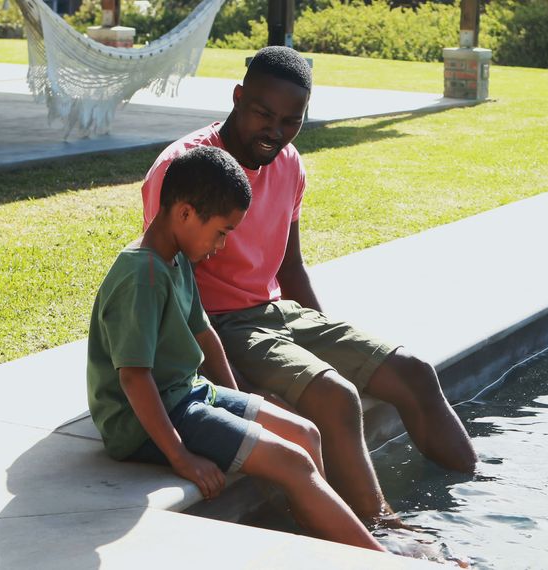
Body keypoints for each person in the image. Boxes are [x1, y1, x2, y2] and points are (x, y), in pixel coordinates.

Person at [140, 47, 478, 524]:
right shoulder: (186, 167)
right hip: (215, 323)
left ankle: (480, 494)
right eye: (263, 114)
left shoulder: (289, 162)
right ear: (238, 98)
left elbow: (290, 266)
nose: (274, 131)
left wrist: (329, 335)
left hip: (274, 313)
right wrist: (234, 388)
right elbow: (168, 282)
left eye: (290, 120)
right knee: (336, 397)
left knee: (414, 371)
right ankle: (381, 531)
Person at [88, 145, 385, 552]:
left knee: (306, 433)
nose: (222, 245)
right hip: (143, 423)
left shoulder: (176, 259)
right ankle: (379, 557)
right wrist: (181, 457)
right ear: (186, 213)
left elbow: (205, 334)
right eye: (222, 232)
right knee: (292, 461)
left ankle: (321, 535)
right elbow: (134, 377)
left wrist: (238, 397)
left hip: (187, 394)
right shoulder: (143, 276)